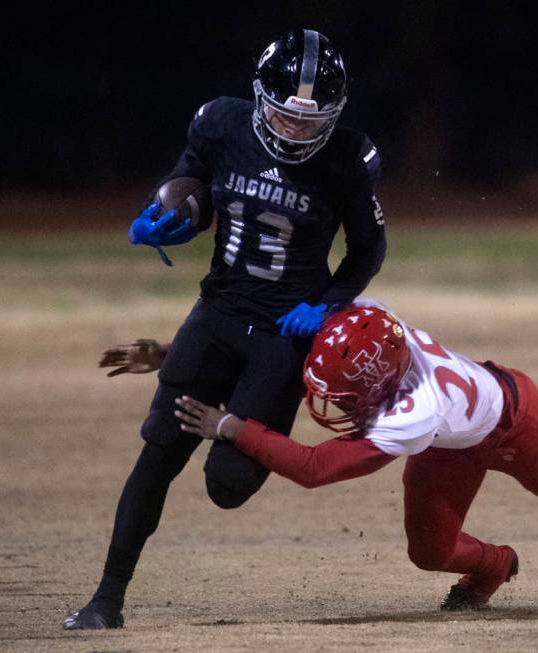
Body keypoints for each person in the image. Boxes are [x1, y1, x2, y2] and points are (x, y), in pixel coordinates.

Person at [63, 29, 386, 630]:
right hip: (216, 316)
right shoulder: (220, 125)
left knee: (228, 485)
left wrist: (326, 304)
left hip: (280, 337)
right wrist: (167, 218)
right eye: (285, 115)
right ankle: (106, 600)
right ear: (261, 97)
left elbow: (368, 251)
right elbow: (193, 189)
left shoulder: (346, 159)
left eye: (308, 120)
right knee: (158, 451)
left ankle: (234, 450)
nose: (294, 129)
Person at [172, 300, 538, 611]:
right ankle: (493, 565)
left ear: (380, 388)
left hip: (511, 419)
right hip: (451, 441)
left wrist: (233, 427)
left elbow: (314, 469)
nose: (339, 403)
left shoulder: (410, 415)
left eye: (349, 396)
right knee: (430, 553)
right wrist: (177, 354)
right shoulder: (370, 322)